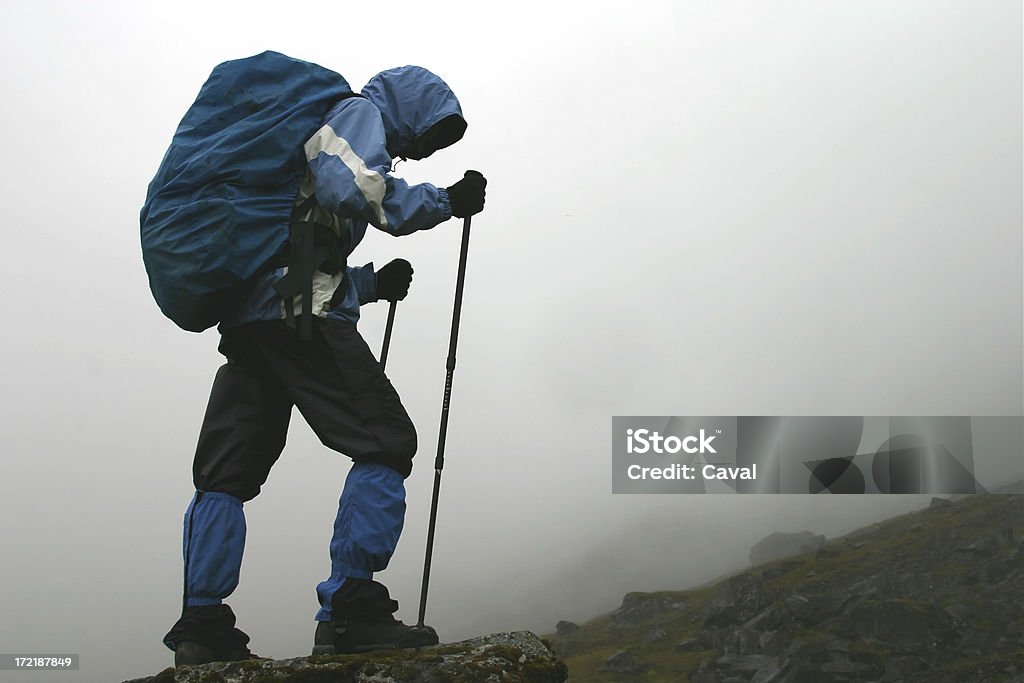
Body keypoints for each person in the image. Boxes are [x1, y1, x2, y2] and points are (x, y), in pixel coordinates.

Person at [161, 64, 487, 666]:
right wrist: (444, 201)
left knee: (225, 473)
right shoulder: (359, 114)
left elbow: (300, 251)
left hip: (253, 320)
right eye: (425, 136)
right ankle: (351, 611)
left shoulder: (313, 130)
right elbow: (349, 190)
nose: (415, 152)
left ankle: (200, 626)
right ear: (409, 110)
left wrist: (367, 284)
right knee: (387, 441)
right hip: (296, 318)